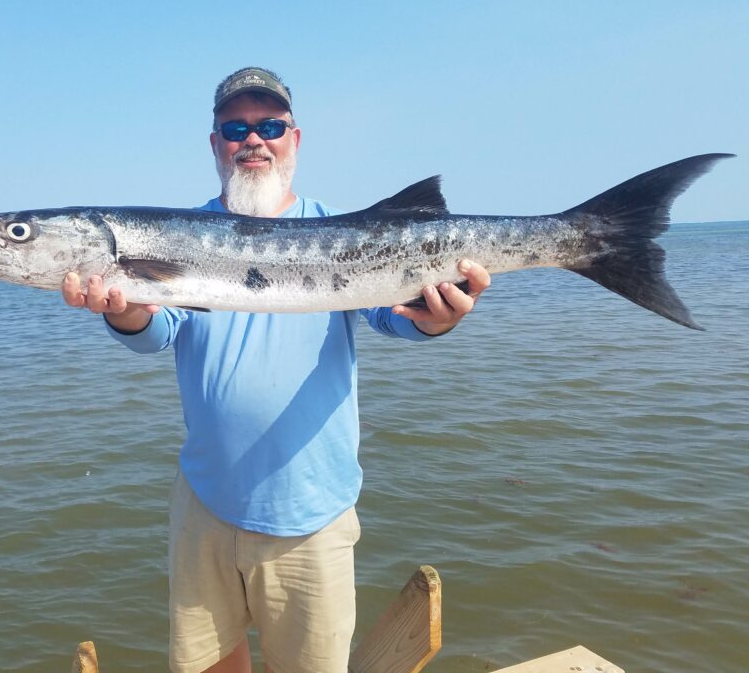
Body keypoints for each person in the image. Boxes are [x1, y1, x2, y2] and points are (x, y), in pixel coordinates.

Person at [62, 67, 490, 673]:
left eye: (270, 125)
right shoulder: (176, 236)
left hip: (311, 513)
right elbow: (157, 332)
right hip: (206, 503)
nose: (253, 139)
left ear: (294, 139)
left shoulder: (347, 231)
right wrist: (127, 314)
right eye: (236, 127)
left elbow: (394, 317)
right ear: (215, 144)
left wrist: (435, 319)